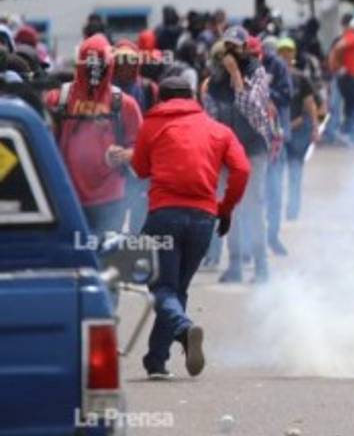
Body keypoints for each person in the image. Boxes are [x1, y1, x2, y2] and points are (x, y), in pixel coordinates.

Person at [131, 76, 250, 379]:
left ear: (161, 98)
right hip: (203, 219)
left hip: (163, 216)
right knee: (176, 289)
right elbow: (242, 169)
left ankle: (183, 330)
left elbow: (140, 168)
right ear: (193, 96)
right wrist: (225, 209)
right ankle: (157, 360)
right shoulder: (217, 129)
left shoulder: (152, 124)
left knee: (160, 287)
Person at [45, 34, 143, 235]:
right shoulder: (58, 99)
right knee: (73, 259)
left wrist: (124, 155)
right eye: (90, 65)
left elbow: (143, 150)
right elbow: (44, 146)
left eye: (100, 65)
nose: (95, 72)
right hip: (66, 195)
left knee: (105, 259)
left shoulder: (124, 104)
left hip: (110, 199)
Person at [202, 27, 276, 283]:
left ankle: (261, 267)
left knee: (253, 207)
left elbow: (255, 112)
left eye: (236, 47)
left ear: (244, 49)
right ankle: (234, 265)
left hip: (254, 149)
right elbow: (210, 118)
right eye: (227, 47)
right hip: (227, 154)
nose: (230, 53)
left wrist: (236, 75)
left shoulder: (256, 72)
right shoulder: (213, 82)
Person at [111, 40, 158, 234]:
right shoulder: (105, 89)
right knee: (114, 217)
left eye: (130, 60)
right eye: (120, 61)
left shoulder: (148, 88)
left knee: (140, 217)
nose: (125, 66)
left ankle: (137, 254)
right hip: (114, 159)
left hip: (142, 159)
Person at [259, 35, 294, 256]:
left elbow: (287, 94)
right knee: (254, 195)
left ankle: (272, 236)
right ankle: (254, 240)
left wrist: (265, 94)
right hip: (254, 140)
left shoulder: (277, 66)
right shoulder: (246, 67)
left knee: (274, 191)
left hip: (275, 138)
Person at [278, 38, 319, 222]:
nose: (286, 55)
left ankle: (292, 211)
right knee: (275, 175)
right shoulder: (271, 79)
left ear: (293, 54)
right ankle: (275, 210)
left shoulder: (301, 78)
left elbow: (310, 105)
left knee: (295, 173)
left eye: (289, 51)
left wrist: (315, 128)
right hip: (276, 133)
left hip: (297, 132)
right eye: (282, 52)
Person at [328, 15, 354, 144]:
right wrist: (339, 67)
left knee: (351, 106)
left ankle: (349, 133)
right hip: (349, 77)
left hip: (349, 77)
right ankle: (347, 132)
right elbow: (338, 48)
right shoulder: (352, 36)